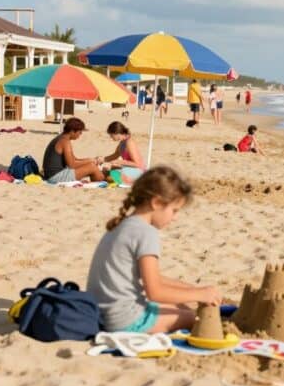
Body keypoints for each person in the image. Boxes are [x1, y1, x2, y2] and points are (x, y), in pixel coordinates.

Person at [86, 166, 222, 333]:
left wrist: (195, 290)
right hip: (123, 320)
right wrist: (200, 295)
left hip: (100, 313)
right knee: (190, 317)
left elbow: (153, 278)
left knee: (181, 305)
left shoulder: (123, 224)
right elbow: (155, 292)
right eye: (174, 211)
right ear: (157, 202)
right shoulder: (146, 232)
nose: (175, 218)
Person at [42, 117, 108, 184]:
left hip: (51, 175)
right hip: (55, 177)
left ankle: (102, 179)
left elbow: (73, 159)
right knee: (92, 167)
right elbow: (72, 165)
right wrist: (91, 161)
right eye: (80, 132)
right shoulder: (65, 141)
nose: (80, 134)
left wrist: (91, 160)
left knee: (91, 164)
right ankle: (104, 181)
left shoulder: (61, 138)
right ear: (72, 131)